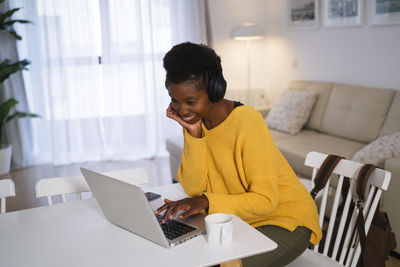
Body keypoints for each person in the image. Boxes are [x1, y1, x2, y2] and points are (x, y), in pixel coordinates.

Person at [155, 42, 322, 266]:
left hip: (286, 219)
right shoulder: (195, 123)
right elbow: (193, 187)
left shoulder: (247, 121)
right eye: (175, 100)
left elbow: (265, 200)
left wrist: (204, 201)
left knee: (221, 263)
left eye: (190, 101)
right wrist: (194, 136)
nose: (182, 110)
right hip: (241, 219)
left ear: (215, 88)